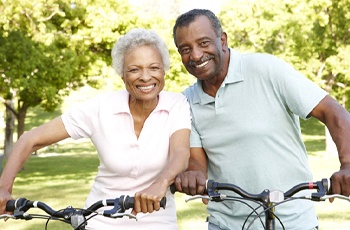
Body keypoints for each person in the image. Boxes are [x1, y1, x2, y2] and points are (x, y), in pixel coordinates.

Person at [172, 9, 350, 230]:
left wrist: (348, 165)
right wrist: (193, 176)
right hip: (226, 224)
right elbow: (197, 162)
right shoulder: (186, 101)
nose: (196, 55)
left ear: (223, 40)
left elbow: (333, 112)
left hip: (294, 221)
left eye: (204, 43)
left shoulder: (266, 69)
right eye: (185, 49)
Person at [0, 28, 191, 229]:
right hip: (98, 221)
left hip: (158, 220)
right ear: (122, 75)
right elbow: (30, 139)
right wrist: (3, 189)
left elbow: (181, 153)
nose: (145, 77)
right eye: (134, 69)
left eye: (154, 67)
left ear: (164, 70)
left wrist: (159, 185)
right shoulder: (100, 108)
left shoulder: (176, 104)